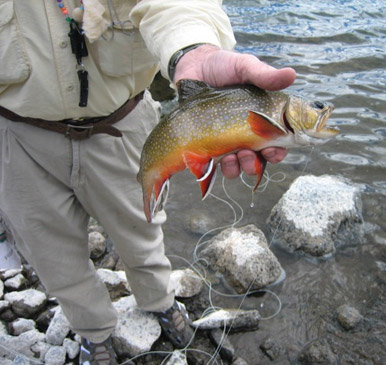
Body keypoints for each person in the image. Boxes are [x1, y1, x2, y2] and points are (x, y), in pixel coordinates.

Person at [0, 1, 295, 363]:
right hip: (12, 133)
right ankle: (95, 333)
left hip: (123, 123)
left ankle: (160, 301)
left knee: (143, 229)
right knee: (52, 256)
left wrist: (193, 50)